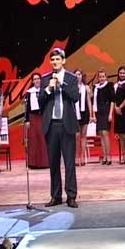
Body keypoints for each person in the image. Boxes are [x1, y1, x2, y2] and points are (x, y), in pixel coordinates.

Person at [39, 48, 79, 208]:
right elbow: (40, 101)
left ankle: (71, 196)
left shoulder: (71, 78)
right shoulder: (45, 79)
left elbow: (75, 97)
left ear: (63, 61)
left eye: (58, 59)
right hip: (51, 125)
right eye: (53, 60)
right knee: (53, 163)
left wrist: (61, 83)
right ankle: (56, 196)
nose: (55, 62)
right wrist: (48, 89)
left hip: (66, 124)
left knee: (69, 163)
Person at [24, 72, 49, 169]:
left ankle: (44, 163)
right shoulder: (29, 93)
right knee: (34, 140)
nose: (37, 80)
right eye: (35, 79)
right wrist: (27, 120)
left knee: (43, 139)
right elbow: (27, 108)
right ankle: (34, 163)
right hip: (33, 117)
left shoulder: (45, 91)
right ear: (32, 81)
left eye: (38, 78)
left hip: (43, 117)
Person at [92, 68, 115, 165]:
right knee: (101, 134)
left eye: (103, 77)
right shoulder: (96, 87)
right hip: (99, 112)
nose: (101, 78)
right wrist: (94, 114)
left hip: (106, 110)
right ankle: (104, 155)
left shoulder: (109, 86)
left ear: (106, 77)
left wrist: (110, 113)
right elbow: (94, 102)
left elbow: (112, 101)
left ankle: (109, 156)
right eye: (100, 77)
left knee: (105, 133)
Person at [74, 68, 92, 166]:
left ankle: (82, 157)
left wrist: (91, 114)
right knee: (76, 136)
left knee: (83, 135)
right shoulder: (72, 87)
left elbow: (89, 101)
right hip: (75, 114)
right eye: (76, 74)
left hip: (84, 113)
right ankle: (76, 157)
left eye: (79, 74)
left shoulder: (86, 87)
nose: (78, 76)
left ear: (82, 76)